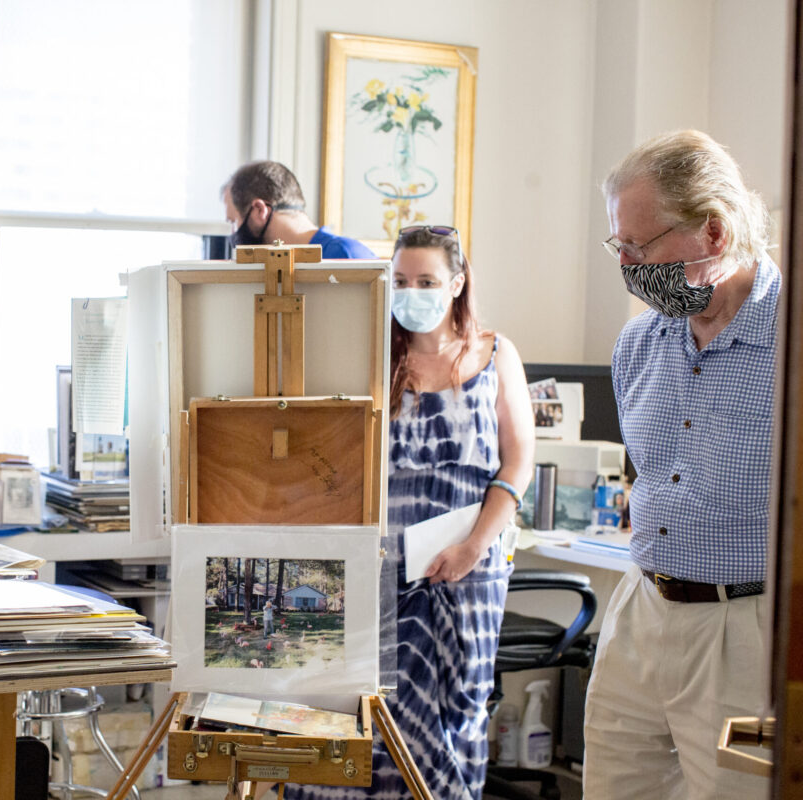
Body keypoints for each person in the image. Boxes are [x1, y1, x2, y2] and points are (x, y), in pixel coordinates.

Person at [286, 225, 534, 800]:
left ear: (457, 283)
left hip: (468, 564)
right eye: (400, 280)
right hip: (378, 569)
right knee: (361, 714)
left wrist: (473, 546)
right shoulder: (370, 355)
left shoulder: (496, 354)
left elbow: (517, 465)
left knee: (455, 716)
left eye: (425, 280)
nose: (411, 291)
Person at [584, 130, 777, 799]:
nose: (629, 265)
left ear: (714, 233)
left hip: (744, 631)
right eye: (620, 247)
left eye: (641, 245)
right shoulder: (638, 342)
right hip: (641, 610)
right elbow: (650, 474)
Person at [222, 161, 376, 258]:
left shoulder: (346, 255)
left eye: (233, 221)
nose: (233, 233)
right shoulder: (276, 268)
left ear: (259, 210)